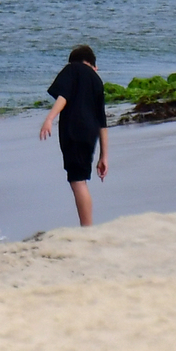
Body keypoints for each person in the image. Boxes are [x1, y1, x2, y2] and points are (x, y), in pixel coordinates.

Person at [39, 44, 110, 226]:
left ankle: (87, 228)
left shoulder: (72, 69)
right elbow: (102, 122)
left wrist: (49, 118)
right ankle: (87, 226)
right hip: (90, 134)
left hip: (73, 131)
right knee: (80, 179)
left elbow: (64, 96)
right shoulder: (97, 80)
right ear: (92, 64)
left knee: (77, 181)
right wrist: (104, 156)